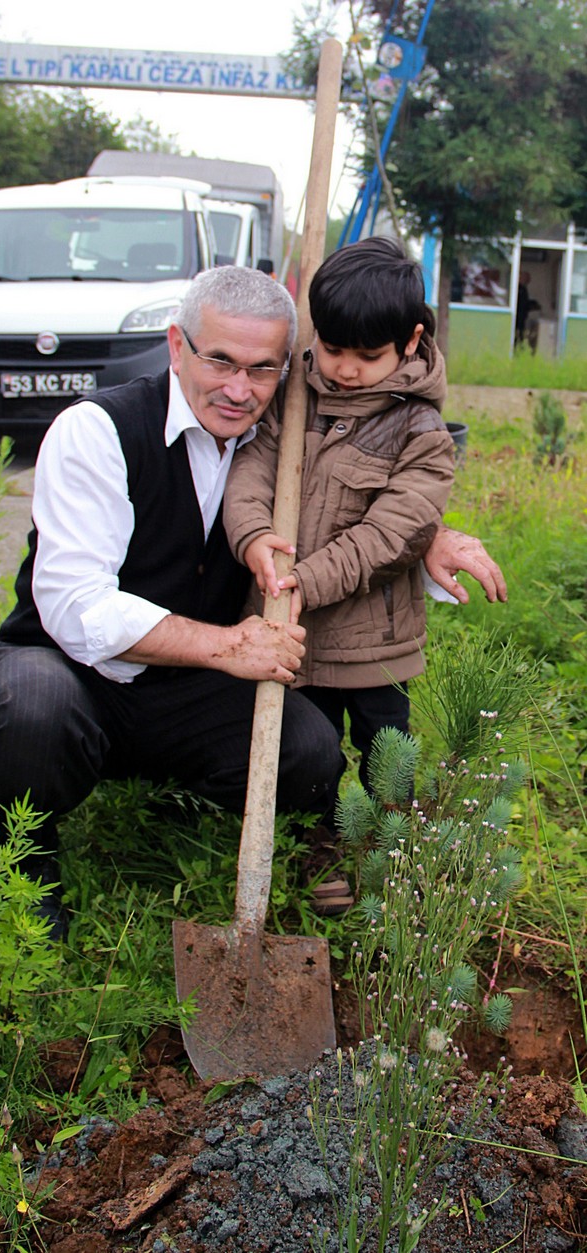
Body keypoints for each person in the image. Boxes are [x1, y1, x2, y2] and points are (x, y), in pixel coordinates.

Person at [0, 265, 506, 938]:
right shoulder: (97, 431)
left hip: (191, 690)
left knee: (311, 752)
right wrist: (229, 645)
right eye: (219, 359)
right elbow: (76, 606)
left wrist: (430, 535)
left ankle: (187, 801)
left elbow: (362, 496)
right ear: (176, 344)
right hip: (76, 674)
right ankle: (27, 866)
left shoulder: (279, 433)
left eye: (261, 369)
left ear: (285, 366)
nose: (237, 388)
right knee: (31, 708)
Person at [224, 238, 455, 913]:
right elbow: (251, 472)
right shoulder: (294, 391)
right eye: (332, 349)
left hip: (374, 643)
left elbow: (393, 536)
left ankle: (394, 850)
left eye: (367, 356)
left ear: (410, 341)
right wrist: (253, 536)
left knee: (387, 752)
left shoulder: (421, 432)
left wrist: (303, 582)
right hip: (291, 637)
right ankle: (320, 843)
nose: (345, 370)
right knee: (313, 754)